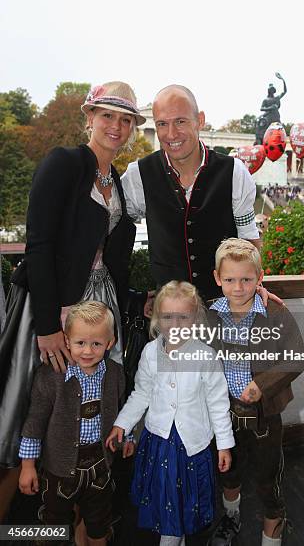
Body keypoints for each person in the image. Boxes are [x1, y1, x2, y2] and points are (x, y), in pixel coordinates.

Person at [0, 81, 143, 470]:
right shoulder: (63, 163)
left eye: (126, 119)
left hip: (101, 306)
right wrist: (47, 325)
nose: (116, 126)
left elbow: (107, 258)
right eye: (108, 115)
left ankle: (85, 508)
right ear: (90, 118)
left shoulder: (119, 181)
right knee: (33, 405)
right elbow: (40, 244)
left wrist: (131, 299)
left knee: (88, 406)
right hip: (51, 303)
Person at [106, 281, 235, 546]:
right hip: (159, 445)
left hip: (191, 448)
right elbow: (141, 393)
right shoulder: (150, 353)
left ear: (196, 318)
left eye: (183, 317)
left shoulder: (206, 356)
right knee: (168, 507)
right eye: (167, 317)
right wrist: (123, 424)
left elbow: (218, 403)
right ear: (156, 318)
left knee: (180, 508)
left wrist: (224, 445)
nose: (175, 324)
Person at [121, 84, 262, 302]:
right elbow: (113, 232)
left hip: (225, 309)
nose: (171, 133)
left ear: (200, 121)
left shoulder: (235, 172)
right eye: (162, 124)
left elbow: (248, 239)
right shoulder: (137, 175)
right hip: (170, 317)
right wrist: (133, 298)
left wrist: (255, 285)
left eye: (180, 121)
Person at [207, 238, 304, 546]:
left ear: (260, 278)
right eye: (230, 279)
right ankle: (231, 516)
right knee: (228, 470)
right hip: (224, 414)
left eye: (247, 279)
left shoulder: (274, 312)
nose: (239, 287)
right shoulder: (209, 316)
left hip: (265, 417)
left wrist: (262, 385)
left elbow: (297, 356)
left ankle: (272, 530)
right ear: (217, 278)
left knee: (267, 476)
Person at [18, 301, 134, 545]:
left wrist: (128, 436)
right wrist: (28, 466)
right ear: (66, 340)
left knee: (99, 524)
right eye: (80, 343)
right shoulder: (51, 376)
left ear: (110, 343)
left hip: (100, 467)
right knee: (55, 524)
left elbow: (123, 410)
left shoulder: (114, 374)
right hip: (59, 472)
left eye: (96, 344)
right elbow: (35, 422)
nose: (88, 351)